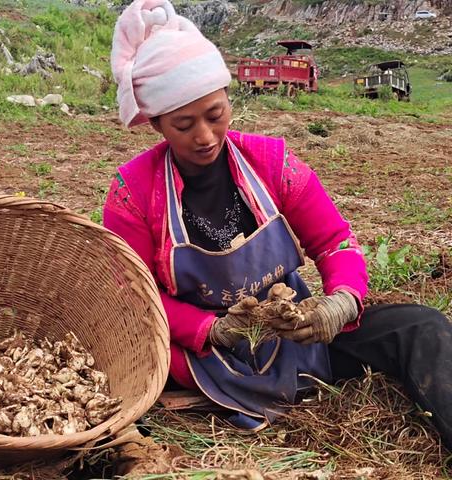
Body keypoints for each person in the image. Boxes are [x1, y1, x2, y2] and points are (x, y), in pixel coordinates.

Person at [104, 0, 452, 448]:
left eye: (215, 115)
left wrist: (342, 302)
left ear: (229, 98)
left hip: (294, 333)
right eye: (184, 125)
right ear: (156, 124)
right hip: (200, 349)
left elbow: (335, 241)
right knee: (124, 357)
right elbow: (135, 296)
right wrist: (211, 329)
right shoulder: (132, 192)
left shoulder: (272, 163)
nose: (206, 137)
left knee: (420, 326)